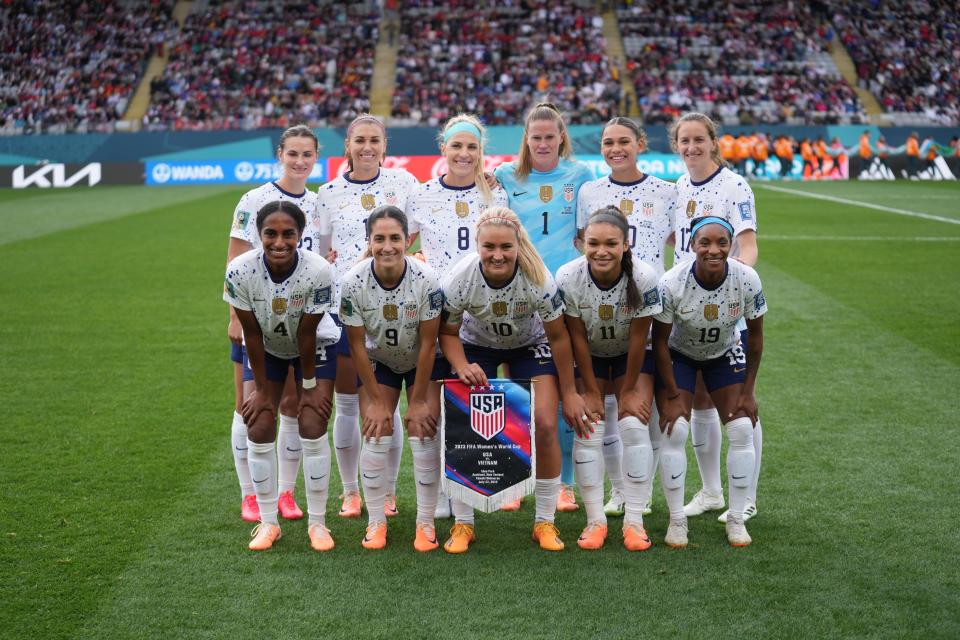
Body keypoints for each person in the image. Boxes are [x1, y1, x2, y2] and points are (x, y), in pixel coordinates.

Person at [439, 207, 593, 553]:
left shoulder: (538, 277)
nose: (498, 254)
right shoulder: (461, 276)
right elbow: (447, 332)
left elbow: (559, 338)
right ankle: (464, 523)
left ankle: (544, 521)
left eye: (506, 247)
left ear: (518, 245)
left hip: (529, 345)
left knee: (545, 423)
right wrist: (462, 365)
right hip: (477, 345)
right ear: (477, 245)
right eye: (489, 246)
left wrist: (569, 392)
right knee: (463, 420)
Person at [318, 114, 419, 520]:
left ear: (384, 144)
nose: (366, 147)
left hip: (394, 308)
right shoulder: (327, 192)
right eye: (359, 140)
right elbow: (326, 252)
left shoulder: (404, 185)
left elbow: (413, 239)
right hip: (346, 308)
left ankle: (388, 492)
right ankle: (349, 492)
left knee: (386, 406)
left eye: (374, 140)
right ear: (347, 144)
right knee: (347, 406)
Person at [226, 124, 329, 524]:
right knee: (249, 405)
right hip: (256, 316)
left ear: (315, 158)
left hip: (300, 319)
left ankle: (285, 491)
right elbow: (235, 259)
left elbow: (318, 259)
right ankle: (249, 494)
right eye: (293, 154)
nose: (300, 161)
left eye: (307, 155)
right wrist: (235, 315)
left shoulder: (320, 204)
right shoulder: (255, 199)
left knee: (290, 404)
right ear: (280, 155)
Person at [494, 102, 594, 513]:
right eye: (535, 137)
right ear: (526, 140)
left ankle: (565, 482)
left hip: (564, 297)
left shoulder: (581, 175)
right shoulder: (504, 176)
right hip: (519, 294)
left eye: (549, 137)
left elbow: (587, 233)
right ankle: (516, 478)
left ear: (561, 138)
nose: (542, 144)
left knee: (561, 389)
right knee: (514, 387)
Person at [407, 114, 508, 519]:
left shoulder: (497, 196)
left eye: (472, 147)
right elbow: (400, 239)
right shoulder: (422, 194)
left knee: (472, 409)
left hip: (483, 317)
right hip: (436, 317)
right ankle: (440, 497)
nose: (464, 153)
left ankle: (476, 485)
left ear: (480, 152)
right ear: (443, 149)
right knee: (433, 410)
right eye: (457, 146)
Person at [576, 116, 677, 518]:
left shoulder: (666, 191)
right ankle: (621, 491)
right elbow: (582, 242)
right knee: (610, 412)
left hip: (648, 305)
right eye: (607, 142)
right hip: (600, 308)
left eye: (623, 141)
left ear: (640, 143)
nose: (615, 149)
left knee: (642, 409)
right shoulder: (590, 191)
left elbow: (678, 241)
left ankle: (641, 491)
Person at [667, 112, 762, 525]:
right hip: (686, 307)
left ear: (713, 141)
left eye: (698, 140)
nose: (691, 148)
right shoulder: (680, 186)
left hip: (726, 303)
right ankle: (710, 491)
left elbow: (748, 246)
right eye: (684, 141)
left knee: (740, 405)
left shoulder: (734, 185)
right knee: (701, 399)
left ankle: (748, 498)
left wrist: (734, 291)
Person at [652, 216, 766, 548]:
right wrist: (672, 392)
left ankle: (736, 517)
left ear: (731, 245)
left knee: (743, 428)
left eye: (722, 243)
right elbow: (659, 342)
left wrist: (749, 391)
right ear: (691, 245)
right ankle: (676, 521)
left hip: (724, 353)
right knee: (676, 427)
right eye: (705, 243)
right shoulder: (672, 282)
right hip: (680, 354)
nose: (713, 250)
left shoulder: (746, 278)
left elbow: (756, 339)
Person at [339, 207, 446, 551]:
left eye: (395, 238)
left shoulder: (427, 279)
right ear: (368, 242)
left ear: (407, 240)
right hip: (379, 361)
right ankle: (375, 523)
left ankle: (425, 523)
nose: (388, 246)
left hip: (421, 360)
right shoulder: (352, 282)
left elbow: (430, 343)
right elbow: (356, 345)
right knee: (375, 431)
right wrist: (376, 402)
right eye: (379, 238)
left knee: (423, 429)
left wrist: (417, 402)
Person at [557, 207, 661, 550]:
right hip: (590, 356)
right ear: (581, 243)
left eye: (611, 244)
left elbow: (637, 339)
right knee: (589, 429)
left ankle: (634, 520)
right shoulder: (568, 276)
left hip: (631, 357)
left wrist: (629, 389)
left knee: (633, 425)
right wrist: (589, 389)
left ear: (626, 245)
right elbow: (576, 339)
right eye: (594, 243)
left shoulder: (644, 278)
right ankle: (594, 522)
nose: (602, 251)